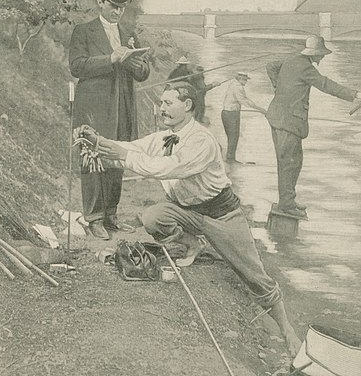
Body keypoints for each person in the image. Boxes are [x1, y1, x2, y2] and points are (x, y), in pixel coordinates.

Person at [78, 82, 302, 356]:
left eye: (169, 103)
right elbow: (133, 147)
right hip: (186, 212)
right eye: (161, 103)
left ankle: (288, 331)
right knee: (153, 217)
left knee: (255, 277)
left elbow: (166, 167)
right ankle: (193, 244)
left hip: (222, 214)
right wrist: (98, 142)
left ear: (188, 106)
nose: (162, 109)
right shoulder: (165, 136)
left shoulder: (202, 141)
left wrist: (122, 155)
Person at [69, 0, 150, 239]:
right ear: (100, 2)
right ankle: (94, 218)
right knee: (93, 160)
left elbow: (142, 73)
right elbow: (77, 66)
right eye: (113, 6)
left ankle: (111, 215)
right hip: (93, 108)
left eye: (121, 8)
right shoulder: (84, 31)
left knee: (117, 157)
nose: (117, 12)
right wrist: (111, 59)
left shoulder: (128, 33)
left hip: (123, 107)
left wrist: (138, 64)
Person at [266, 35, 361, 217]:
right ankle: (286, 204)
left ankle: (288, 200)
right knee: (290, 163)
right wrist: (357, 94)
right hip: (289, 122)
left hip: (277, 117)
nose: (323, 58)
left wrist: (278, 89)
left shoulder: (291, 60)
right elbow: (327, 85)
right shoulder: (306, 68)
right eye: (322, 54)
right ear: (315, 53)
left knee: (291, 162)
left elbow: (271, 66)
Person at [221, 72, 266, 163]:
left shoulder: (233, 84)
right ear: (239, 78)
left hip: (227, 113)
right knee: (233, 136)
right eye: (244, 79)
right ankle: (230, 158)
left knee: (232, 136)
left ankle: (230, 157)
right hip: (231, 114)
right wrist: (259, 108)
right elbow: (243, 100)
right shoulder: (238, 87)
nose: (246, 82)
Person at [168, 58, 220, 122]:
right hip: (193, 93)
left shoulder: (185, 72)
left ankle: (196, 119)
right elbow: (203, 89)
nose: (186, 66)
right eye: (185, 65)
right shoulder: (193, 75)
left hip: (187, 91)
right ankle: (198, 120)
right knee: (200, 107)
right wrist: (213, 85)